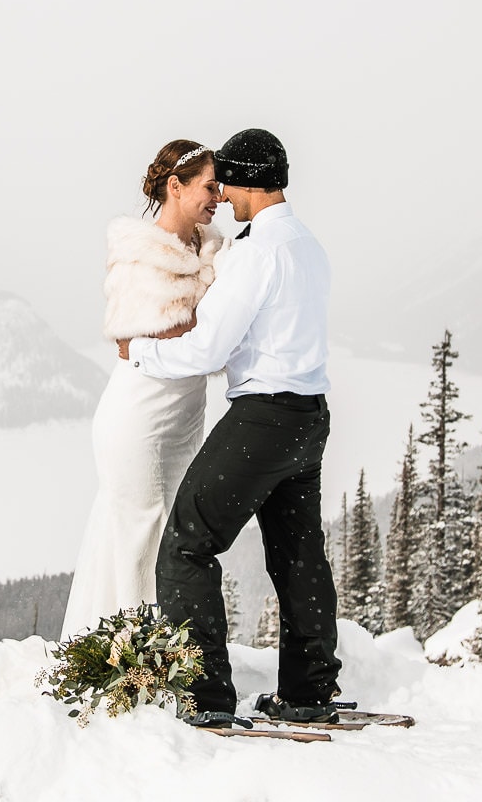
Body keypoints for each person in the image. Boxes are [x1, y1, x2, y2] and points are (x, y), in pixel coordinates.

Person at [119, 128, 343, 725]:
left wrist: (140, 352)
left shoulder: (256, 254)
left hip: (262, 418)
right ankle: (308, 691)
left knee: (186, 545)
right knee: (299, 557)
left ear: (247, 181)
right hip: (309, 416)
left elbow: (205, 349)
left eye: (227, 184)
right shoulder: (308, 245)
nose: (223, 197)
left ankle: (207, 699)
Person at [59, 140, 227, 639]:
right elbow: (133, 339)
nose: (217, 196)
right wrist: (214, 320)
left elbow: (196, 332)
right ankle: (133, 660)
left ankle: (168, 651)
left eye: (219, 187)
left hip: (182, 419)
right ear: (175, 187)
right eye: (208, 186)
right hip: (139, 418)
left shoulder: (210, 249)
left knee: (173, 536)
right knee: (140, 532)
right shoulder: (139, 256)